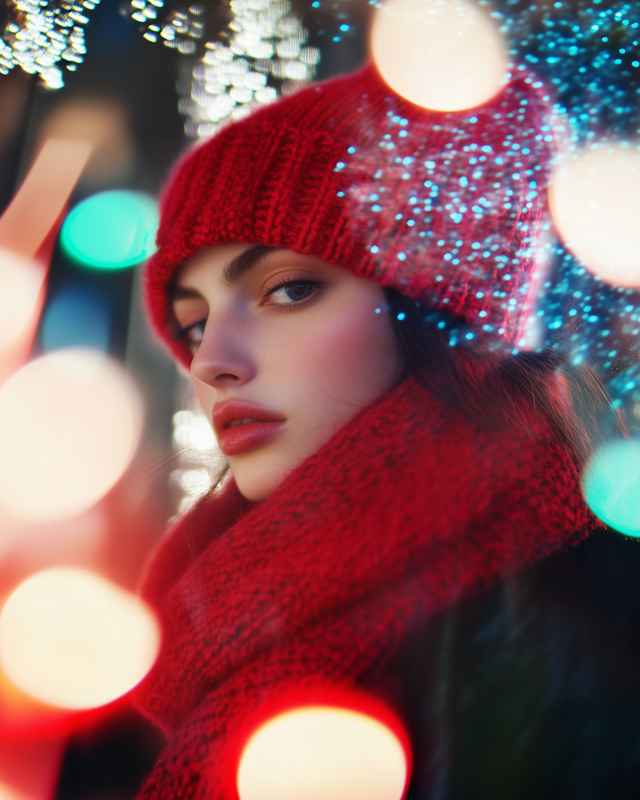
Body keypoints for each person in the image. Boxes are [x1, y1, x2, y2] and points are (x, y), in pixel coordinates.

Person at [131, 63, 640, 800]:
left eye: (289, 289)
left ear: (436, 312)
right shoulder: (203, 617)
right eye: (194, 322)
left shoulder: (589, 622)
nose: (211, 361)